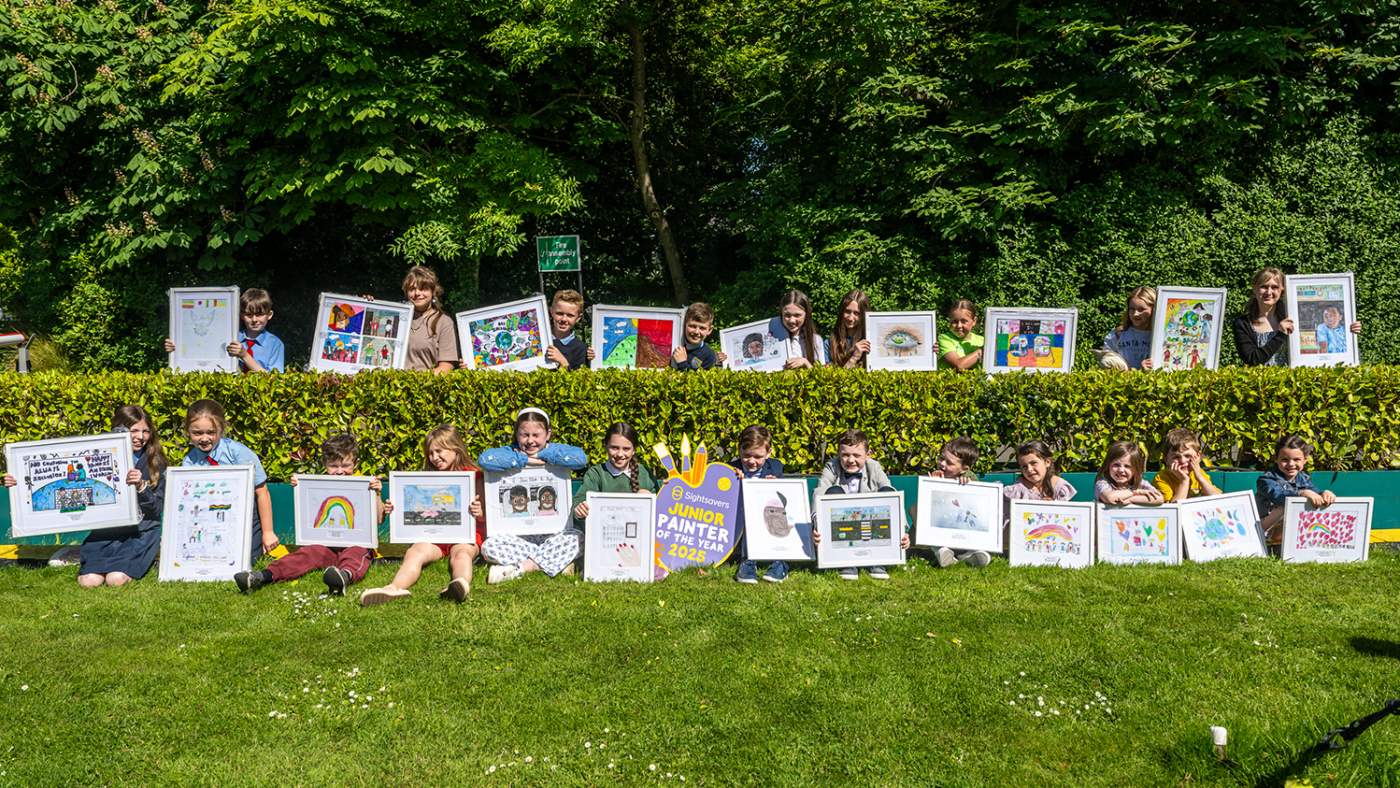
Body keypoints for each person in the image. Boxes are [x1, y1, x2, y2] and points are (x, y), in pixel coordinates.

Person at [4, 405, 169, 586]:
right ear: (119, 430)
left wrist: (141, 487)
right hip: (107, 531)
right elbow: (56, 475)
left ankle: (83, 553)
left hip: (140, 534)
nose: (140, 437)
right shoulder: (99, 453)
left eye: (146, 431)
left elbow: (157, 509)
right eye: (134, 431)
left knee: (116, 579)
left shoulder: (155, 463)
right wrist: (18, 482)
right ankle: (78, 551)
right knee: (88, 582)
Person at [235, 434, 387, 596]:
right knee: (305, 555)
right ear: (324, 464)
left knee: (354, 554)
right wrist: (301, 486)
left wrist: (376, 494)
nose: (340, 471)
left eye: (345, 466)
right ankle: (262, 576)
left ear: (355, 464)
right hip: (327, 543)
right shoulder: (319, 485)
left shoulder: (365, 483)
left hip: (358, 543)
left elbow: (379, 519)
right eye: (333, 466)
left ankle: (344, 576)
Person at [360, 425, 486, 606]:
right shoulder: (423, 479)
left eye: (439, 451)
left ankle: (460, 585)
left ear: (455, 447)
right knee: (414, 552)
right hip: (433, 536)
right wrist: (396, 510)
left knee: (462, 554)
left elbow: (484, 517)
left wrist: (479, 513)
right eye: (430, 453)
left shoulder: (475, 477)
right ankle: (393, 588)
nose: (434, 458)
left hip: (465, 535)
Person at [477, 409, 588, 583]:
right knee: (489, 546)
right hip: (518, 536)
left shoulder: (554, 451)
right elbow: (485, 460)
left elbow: (580, 459)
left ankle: (523, 567)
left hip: (553, 533)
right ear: (516, 434)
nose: (530, 441)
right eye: (524, 435)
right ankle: (558, 562)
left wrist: (542, 454)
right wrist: (525, 460)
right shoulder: (511, 451)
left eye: (536, 435)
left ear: (548, 434)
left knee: (578, 538)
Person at [179, 399, 276, 564]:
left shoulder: (238, 454)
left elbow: (261, 492)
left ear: (223, 428)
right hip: (209, 518)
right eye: (197, 433)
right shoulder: (189, 462)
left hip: (245, 518)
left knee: (244, 560)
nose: (204, 438)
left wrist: (268, 532)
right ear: (187, 430)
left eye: (211, 432)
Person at [812, 429, 908, 580]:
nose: (851, 460)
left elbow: (891, 494)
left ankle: (877, 561)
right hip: (843, 523)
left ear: (868, 455)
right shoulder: (832, 466)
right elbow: (819, 491)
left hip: (869, 522)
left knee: (886, 491)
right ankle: (845, 561)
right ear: (839, 454)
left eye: (857, 455)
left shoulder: (875, 467)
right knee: (833, 491)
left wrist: (901, 530)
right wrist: (818, 525)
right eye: (845, 455)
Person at [163, 287, 285, 373]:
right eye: (249, 315)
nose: (254, 319)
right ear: (241, 315)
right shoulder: (228, 338)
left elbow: (275, 380)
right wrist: (176, 348)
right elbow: (203, 351)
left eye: (259, 315)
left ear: (269, 315)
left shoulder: (275, 344)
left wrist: (245, 356)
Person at [571, 422, 663, 530]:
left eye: (626, 449)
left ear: (634, 449)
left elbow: (661, 510)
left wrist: (653, 498)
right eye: (614, 448)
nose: (620, 454)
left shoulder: (645, 473)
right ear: (605, 445)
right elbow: (578, 501)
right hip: (607, 535)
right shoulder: (596, 474)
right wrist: (580, 509)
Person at [728, 425, 789, 584]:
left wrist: (776, 486)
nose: (752, 461)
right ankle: (747, 562)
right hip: (742, 520)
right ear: (739, 450)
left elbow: (785, 499)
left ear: (768, 453)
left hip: (769, 517)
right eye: (747, 456)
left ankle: (780, 564)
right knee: (750, 516)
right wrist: (733, 482)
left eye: (758, 456)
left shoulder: (775, 467)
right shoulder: (731, 469)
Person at [925, 436, 991, 569]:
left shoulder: (970, 478)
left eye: (949, 463)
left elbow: (977, 508)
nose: (942, 464)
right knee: (914, 508)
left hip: (963, 530)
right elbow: (930, 510)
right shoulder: (935, 475)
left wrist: (969, 488)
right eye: (942, 458)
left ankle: (971, 554)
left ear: (963, 469)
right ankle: (941, 552)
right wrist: (934, 485)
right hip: (941, 533)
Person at [1256, 434, 1336, 545]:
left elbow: (1315, 494)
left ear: (1305, 459)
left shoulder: (1303, 478)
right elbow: (1279, 496)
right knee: (1290, 505)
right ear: (1276, 459)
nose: (1291, 464)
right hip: (1264, 526)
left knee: (1313, 502)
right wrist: (1301, 493)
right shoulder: (1266, 480)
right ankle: (1263, 539)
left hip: (1285, 527)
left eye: (1297, 459)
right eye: (1285, 459)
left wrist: (1325, 494)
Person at [1003, 441, 1078, 538]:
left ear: (1047, 462)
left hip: (1050, 536)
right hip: (1020, 535)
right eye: (1024, 466)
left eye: (1033, 463)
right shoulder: (1018, 489)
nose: (1029, 469)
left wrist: (1053, 507)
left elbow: (1064, 520)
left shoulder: (1059, 487)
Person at [402, 266, 458, 373]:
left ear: (434, 291)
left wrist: (417, 382)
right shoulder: (396, 318)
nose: (417, 293)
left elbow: (446, 368)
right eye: (412, 289)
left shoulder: (443, 322)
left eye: (422, 289)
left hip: (425, 386)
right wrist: (365, 305)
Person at [1152, 428, 1223, 502]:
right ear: (1166, 459)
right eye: (1176, 457)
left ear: (1198, 456)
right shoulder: (1161, 478)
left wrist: (1200, 478)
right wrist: (1184, 481)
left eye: (1188, 456)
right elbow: (1173, 509)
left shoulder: (1198, 473)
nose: (1182, 461)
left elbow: (1219, 500)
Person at [1094, 441, 1165, 505]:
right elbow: (1109, 497)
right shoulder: (1103, 483)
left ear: (1136, 469)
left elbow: (1159, 498)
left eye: (1127, 466)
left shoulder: (1141, 483)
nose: (1121, 470)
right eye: (1116, 465)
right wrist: (1136, 492)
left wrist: (1131, 499)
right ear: (1108, 465)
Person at [1102, 287, 1156, 370]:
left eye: (1141, 310)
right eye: (1132, 308)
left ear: (1154, 310)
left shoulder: (1161, 338)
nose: (1135, 314)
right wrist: (1138, 374)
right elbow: (1105, 370)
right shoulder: (1115, 335)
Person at [545, 289, 596, 370]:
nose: (564, 319)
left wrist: (563, 362)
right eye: (560, 313)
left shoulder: (581, 348)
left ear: (578, 318)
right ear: (552, 312)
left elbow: (578, 380)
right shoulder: (540, 339)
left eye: (570, 315)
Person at [778, 290, 828, 369]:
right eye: (787, 315)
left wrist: (805, 363)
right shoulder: (775, 340)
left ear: (806, 315)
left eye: (797, 315)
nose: (792, 320)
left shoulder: (815, 340)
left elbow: (821, 374)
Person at [826, 289, 872, 369]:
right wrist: (853, 359)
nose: (851, 318)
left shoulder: (872, 342)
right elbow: (832, 379)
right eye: (847, 311)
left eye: (857, 313)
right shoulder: (829, 343)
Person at [671, 303, 724, 371]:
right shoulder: (673, 341)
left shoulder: (708, 355)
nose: (696, 332)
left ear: (709, 330)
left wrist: (682, 363)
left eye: (702, 328)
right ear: (684, 325)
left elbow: (698, 380)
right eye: (692, 326)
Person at [937, 299, 984, 370]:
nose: (959, 325)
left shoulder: (982, 341)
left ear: (974, 321)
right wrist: (983, 350)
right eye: (955, 321)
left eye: (964, 321)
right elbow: (959, 366)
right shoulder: (944, 338)